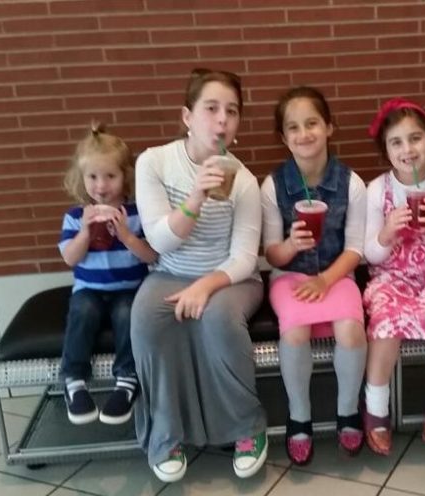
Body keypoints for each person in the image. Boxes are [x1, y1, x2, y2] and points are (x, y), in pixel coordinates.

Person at [131, 68, 268, 483]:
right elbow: (160, 241)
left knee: (218, 318)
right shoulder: (154, 162)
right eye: (211, 108)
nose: (222, 120)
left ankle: (247, 428)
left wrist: (206, 286)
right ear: (187, 116)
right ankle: (165, 435)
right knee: (148, 320)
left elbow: (244, 258)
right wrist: (195, 196)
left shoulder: (243, 180)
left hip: (230, 279)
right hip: (170, 271)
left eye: (232, 111)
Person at [261, 86, 367, 465]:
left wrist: (325, 280)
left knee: (351, 330)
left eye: (312, 124)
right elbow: (271, 253)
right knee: (295, 332)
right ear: (283, 137)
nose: (304, 134)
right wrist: (290, 245)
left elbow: (355, 249)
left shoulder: (351, 183)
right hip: (288, 276)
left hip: (337, 274)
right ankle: (299, 416)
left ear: (329, 127)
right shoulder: (273, 186)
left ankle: (348, 411)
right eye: (293, 127)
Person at [362, 98, 425, 455]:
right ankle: (375, 408)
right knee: (385, 323)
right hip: (392, 276)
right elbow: (370, 254)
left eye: (415, 138)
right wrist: (387, 233)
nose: (407, 149)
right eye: (396, 142)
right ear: (386, 150)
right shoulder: (378, 191)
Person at [59, 122, 157, 426]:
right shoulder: (76, 217)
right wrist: (85, 232)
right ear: (82, 178)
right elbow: (70, 258)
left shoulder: (137, 214)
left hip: (129, 288)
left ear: (125, 176)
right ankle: (74, 379)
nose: (101, 186)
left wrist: (126, 235)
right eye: (92, 177)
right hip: (89, 289)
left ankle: (127, 379)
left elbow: (152, 256)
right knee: (82, 311)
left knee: (128, 313)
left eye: (110, 176)